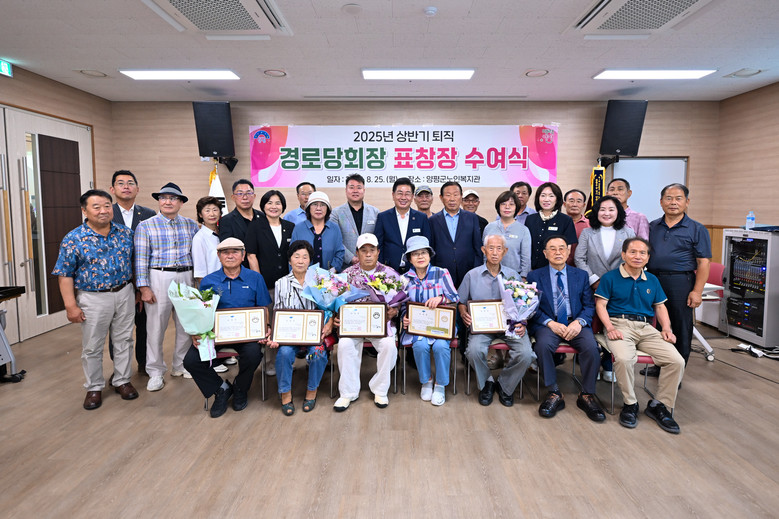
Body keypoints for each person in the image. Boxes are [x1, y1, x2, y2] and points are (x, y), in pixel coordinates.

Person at [52, 189, 138, 410]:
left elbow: (133, 263)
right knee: (93, 345)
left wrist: (137, 290)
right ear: (85, 210)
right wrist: (70, 305)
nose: (103, 211)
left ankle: (122, 380)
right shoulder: (74, 238)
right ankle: (94, 387)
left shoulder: (125, 233)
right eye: (96, 207)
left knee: (124, 340)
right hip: (93, 297)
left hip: (124, 292)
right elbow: (64, 274)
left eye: (107, 206)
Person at [595, 237, 685, 434]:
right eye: (633, 252)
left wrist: (666, 328)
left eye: (642, 253)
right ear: (623, 255)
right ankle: (630, 404)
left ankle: (659, 405)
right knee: (624, 359)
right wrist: (609, 327)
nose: (637, 256)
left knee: (676, 361)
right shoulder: (610, 278)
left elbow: (660, 306)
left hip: (646, 327)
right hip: (618, 324)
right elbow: (600, 305)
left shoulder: (652, 280)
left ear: (648, 257)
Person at [183, 238, 270, 418]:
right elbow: (201, 311)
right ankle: (221, 388)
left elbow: (263, 307)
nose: (230, 256)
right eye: (225, 252)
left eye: (235, 252)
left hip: (247, 335)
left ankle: (240, 387)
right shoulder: (208, 281)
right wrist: (196, 331)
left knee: (253, 354)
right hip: (216, 334)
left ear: (243, 255)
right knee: (191, 361)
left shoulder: (255, 278)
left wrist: (266, 327)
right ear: (219, 256)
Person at [527, 236, 605, 422]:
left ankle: (587, 394)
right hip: (549, 323)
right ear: (545, 253)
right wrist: (550, 323)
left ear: (569, 252)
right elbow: (531, 307)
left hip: (575, 322)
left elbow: (589, 305)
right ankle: (554, 392)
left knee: (591, 348)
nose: (558, 252)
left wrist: (579, 322)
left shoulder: (581, 275)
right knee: (542, 346)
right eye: (552, 249)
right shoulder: (534, 276)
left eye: (562, 248)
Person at [134, 182, 199, 392]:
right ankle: (155, 372)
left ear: (181, 202)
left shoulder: (191, 225)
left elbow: (196, 254)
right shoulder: (146, 226)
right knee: (155, 327)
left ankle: (180, 365)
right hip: (159, 276)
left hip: (186, 276)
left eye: (173, 198)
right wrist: (143, 287)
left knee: (185, 325)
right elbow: (140, 259)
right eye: (163, 198)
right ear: (159, 201)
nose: (168, 201)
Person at [457, 234, 533, 407]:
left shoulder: (513, 275)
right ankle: (487, 383)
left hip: (510, 326)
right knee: (474, 351)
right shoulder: (472, 275)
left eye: (499, 248)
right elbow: (461, 301)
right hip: (482, 327)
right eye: (490, 248)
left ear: (505, 252)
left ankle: (505, 385)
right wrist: (463, 313)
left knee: (526, 354)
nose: (494, 252)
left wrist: (523, 322)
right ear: (483, 250)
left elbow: (523, 305)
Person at [646, 183, 711, 371]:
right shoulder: (652, 226)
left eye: (678, 198)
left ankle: (676, 372)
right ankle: (659, 365)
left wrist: (697, 291)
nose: (673, 202)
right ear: (661, 202)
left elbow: (704, 263)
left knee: (681, 326)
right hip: (653, 279)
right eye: (668, 198)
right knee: (656, 325)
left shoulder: (697, 229)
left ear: (687, 202)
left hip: (680, 282)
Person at [333, 234, 400, 411]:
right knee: (345, 345)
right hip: (353, 326)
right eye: (364, 251)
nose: (368, 254)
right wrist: (336, 316)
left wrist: (395, 310)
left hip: (380, 325)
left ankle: (380, 389)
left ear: (378, 252)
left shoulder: (389, 273)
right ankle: (348, 393)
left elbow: (400, 301)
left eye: (372, 250)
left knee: (389, 346)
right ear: (357, 253)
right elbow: (336, 302)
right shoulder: (346, 275)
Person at [267, 240, 333, 416]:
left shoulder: (320, 281)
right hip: (290, 334)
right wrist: (276, 335)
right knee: (284, 353)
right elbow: (278, 312)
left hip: (314, 333)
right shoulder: (281, 283)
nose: (301, 261)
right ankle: (285, 394)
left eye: (305, 257)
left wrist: (329, 323)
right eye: (296, 256)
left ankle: (312, 391)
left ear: (310, 260)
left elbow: (330, 307)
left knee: (318, 353)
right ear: (290, 260)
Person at [574, 195, 635, 382]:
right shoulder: (587, 232)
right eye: (602, 209)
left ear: (618, 212)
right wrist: (594, 280)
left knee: (615, 324)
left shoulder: (628, 232)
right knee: (592, 325)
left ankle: (609, 363)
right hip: (593, 286)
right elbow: (579, 259)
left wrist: (616, 282)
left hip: (620, 287)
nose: (606, 213)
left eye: (611, 209)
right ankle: (590, 363)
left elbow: (633, 259)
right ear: (596, 212)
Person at [401, 236, 459, 406]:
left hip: (441, 325)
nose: (420, 256)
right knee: (420, 346)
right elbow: (402, 304)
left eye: (423, 252)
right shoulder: (404, 279)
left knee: (441, 346)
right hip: (418, 326)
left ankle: (440, 385)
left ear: (429, 255)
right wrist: (404, 318)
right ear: (409, 258)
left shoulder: (442, 273)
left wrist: (441, 298)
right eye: (415, 254)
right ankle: (426, 381)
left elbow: (455, 297)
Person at [109, 170, 155, 375]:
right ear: (112, 189)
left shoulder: (149, 214)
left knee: (144, 326)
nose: (126, 186)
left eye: (130, 183)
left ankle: (144, 364)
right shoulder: (106, 213)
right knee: (118, 329)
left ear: (138, 189)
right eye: (121, 183)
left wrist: (141, 286)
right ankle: (120, 370)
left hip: (143, 281)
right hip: (117, 283)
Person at [429, 181, 483, 287]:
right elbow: (431, 249)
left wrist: (477, 270)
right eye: (448, 195)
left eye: (455, 195)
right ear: (441, 198)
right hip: (442, 273)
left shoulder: (472, 218)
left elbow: (478, 247)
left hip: (468, 271)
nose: (452, 199)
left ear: (461, 196)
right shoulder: (433, 220)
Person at [374, 177, 431, 274]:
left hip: (415, 270)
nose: (403, 198)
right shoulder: (383, 217)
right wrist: (381, 270)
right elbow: (379, 246)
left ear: (412, 196)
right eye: (400, 193)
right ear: (393, 195)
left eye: (407, 194)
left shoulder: (421, 218)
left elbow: (427, 246)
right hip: (389, 271)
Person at [245, 190, 295, 296]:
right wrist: (259, 281)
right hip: (266, 284)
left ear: (283, 206)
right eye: (270, 203)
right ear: (263, 206)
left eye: (278, 203)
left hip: (288, 282)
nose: (274, 207)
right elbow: (251, 256)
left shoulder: (290, 227)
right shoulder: (255, 226)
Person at [525, 182, 578, 270]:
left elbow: (567, 249)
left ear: (557, 199)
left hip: (555, 269)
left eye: (551, 196)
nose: (546, 199)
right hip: (531, 269)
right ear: (538, 198)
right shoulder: (530, 219)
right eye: (543, 195)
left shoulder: (566, 220)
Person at [330, 174, 379, 267]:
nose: (355, 191)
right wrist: (351, 258)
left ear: (364, 190)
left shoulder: (375, 212)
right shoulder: (336, 213)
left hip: (370, 264)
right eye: (351, 187)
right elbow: (334, 239)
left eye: (359, 187)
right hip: (345, 266)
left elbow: (378, 238)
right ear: (346, 190)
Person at [290, 191, 345, 271]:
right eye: (315, 204)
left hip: (330, 276)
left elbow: (339, 253)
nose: (318, 208)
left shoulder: (334, 228)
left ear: (327, 209)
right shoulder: (299, 228)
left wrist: (332, 272)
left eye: (322, 205)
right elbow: (292, 254)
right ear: (309, 208)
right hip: (303, 275)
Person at [482, 190, 531, 279]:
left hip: (514, 277)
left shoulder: (523, 230)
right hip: (490, 275)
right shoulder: (489, 227)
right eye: (503, 204)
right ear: (498, 207)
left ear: (516, 207)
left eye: (511, 204)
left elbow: (526, 258)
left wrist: (523, 277)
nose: (507, 207)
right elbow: (485, 254)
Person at [218, 179, 263, 250]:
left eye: (248, 193)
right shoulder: (226, 221)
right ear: (233, 197)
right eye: (240, 194)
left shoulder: (263, 217)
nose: (245, 197)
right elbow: (227, 250)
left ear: (254, 196)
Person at [192, 196, 223, 285]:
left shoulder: (224, 232)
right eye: (207, 211)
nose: (212, 214)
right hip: (212, 285)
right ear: (200, 214)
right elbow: (200, 272)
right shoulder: (199, 238)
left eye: (215, 210)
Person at [563, 188, 590, 265]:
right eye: (571, 201)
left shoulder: (590, 225)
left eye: (579, 201)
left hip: (583, 266)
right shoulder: (558, 223)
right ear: (564, 204)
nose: (575, 204)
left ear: (584, 205)